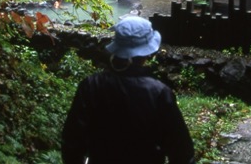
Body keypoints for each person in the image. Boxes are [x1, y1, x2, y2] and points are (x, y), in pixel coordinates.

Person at [61, 16, 195, 164]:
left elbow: (72, 142)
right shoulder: (159, 92)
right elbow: (181, 151)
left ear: (117, 49)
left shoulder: (91, 85)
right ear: (147, 53)